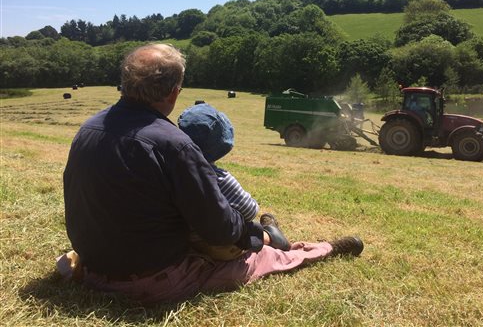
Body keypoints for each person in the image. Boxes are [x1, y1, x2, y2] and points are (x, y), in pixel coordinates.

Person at [58, 43, 364, 305]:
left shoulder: (88, 129)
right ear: (174, 92)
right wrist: (255, 236)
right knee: (261, 259)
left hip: (93, 267)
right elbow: (219, 228)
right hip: (149, 280)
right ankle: (321, 250)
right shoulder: (174, 144)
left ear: (124, 84)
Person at [177, 102, 290, 259]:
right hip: (220, 248)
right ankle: (271, 237)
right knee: (245, 226)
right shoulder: (218, 177)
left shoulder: (171, 171)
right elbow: (250, 210)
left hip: (184, 243)